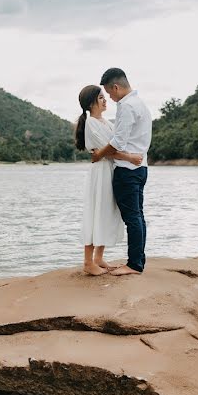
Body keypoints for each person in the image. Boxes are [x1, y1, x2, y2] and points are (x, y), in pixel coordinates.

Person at [75, 85, 143, 276]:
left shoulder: (105, 122)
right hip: (101, 173)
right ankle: (88, 262)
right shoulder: (91, 123)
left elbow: (117, 144)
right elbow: (110, 150)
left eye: (105, 97)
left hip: (110, 170)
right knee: (96, 212)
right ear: (91, 102)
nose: (105, 100)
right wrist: (129, 158)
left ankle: (98, 257)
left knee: (106, 212)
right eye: (101, 98)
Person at [91, 68, 152, 276]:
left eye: (109, 92)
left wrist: (99, 154)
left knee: (133, 218)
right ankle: (138, 261)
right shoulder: (141, 104)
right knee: (138, 217)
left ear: (115, 87)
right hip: (141, 168)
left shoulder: (126, 106)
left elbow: (117, 143)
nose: (110, 97)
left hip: (127, 171)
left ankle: (134, 264)